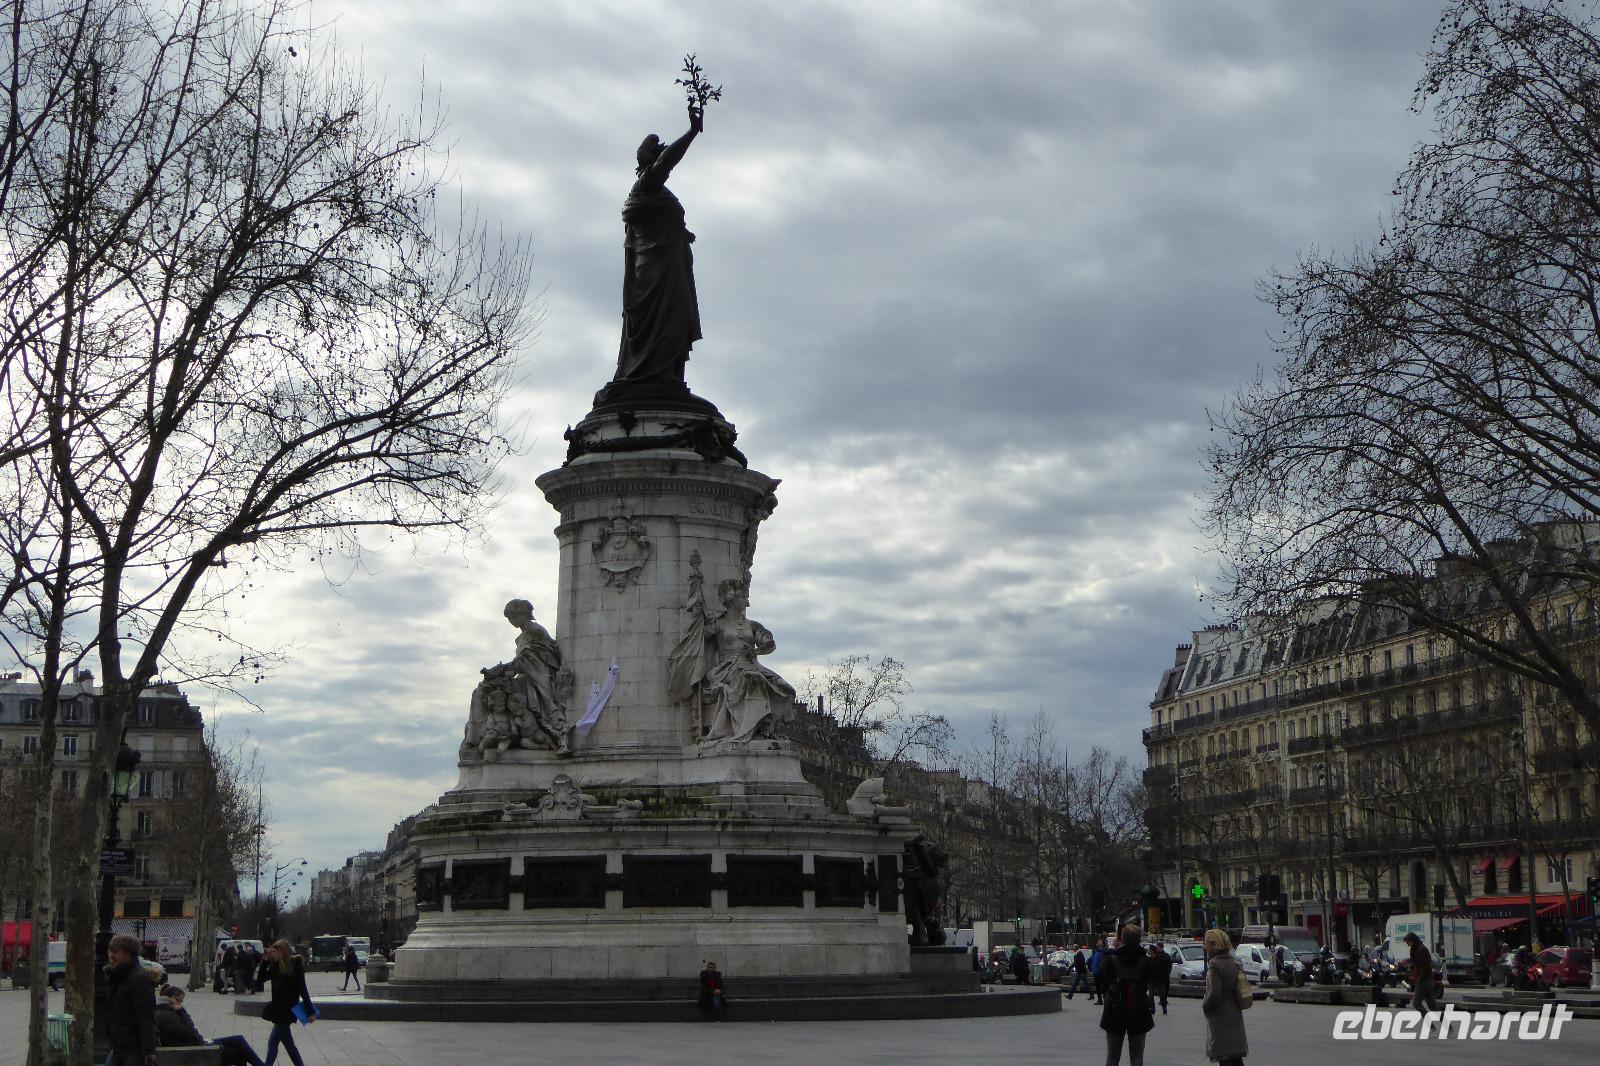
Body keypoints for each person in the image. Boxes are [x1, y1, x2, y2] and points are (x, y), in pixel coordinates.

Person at [604, 104, 705, 397]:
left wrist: (681, 232)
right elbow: (667, 162)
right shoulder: (646, 183)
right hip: (655, 272)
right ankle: (655, 376)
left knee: (678, 319)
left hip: (667, 266)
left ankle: (668, 376)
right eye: (658, 153)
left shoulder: (655, 192)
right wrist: (692, 132)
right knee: (674, 320)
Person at [156, 985, 266, 1066]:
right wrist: (183, 1012)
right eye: (179, 1001)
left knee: (238, 1039)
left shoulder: (165, 1010)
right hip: (196, 1050)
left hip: (195, 1045)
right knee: (240, 1053)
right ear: (171, 998)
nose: (180, 1004)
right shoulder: (167, 1015)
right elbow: (192, 1035)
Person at [1099, 926, 1155, 1066]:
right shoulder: (1146, 961)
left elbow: (1100, 978)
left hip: (1114, 1010)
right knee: (1137, 1056)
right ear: (1139, 939)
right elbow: (1151, 980)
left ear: (1122, 939)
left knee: (1112, 1055)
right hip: (1139, 1010)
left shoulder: (1111, 960)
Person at [257, 939, 315, 1066]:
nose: (273, 954)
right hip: (278, 1011)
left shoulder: (295, 968)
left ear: (282, 952)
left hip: (287, 1012)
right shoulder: (275, 967)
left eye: (275, 951)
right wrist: (265, 960)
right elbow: (260, 979)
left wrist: (310, 1012)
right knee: (289, 1045)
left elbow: (303, 991)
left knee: (272, 1043)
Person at [106, 933, 158, 1066]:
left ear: (128, 954)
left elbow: (145, 1015)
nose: (111, 955)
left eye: (116, 952)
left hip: (133, 1048)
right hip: (119, 1045)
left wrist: (148, 1051)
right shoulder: (117, 975)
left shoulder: (138, 978)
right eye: (110, 951)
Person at [1201, 929, 1248, 1066]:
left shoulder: (1214, 965)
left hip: (1220, 1016)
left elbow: (1214, 994)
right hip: (1234, 1012)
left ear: (1214, 945)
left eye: (1206, 943)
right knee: (1235, 1057)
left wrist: (1205, 1006)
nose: (1205, 947)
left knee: (1225, 1056)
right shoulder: (1233, 961)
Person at [1404, 932, 1439, 1012]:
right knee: (1433, 1007)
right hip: (1426, 979)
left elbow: (1423, 967)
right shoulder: (1418, 949)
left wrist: (1419, 979)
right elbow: (1417, 964)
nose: (1408, 945)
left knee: (1416, 1003)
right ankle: (1447, 1024)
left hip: (1423, 980)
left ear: (1412, 940)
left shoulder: (1421, 950)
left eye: (1408, 942)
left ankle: (1430, 1023)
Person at [1147, 942, 1173, 1015]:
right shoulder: (1148, 959)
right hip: (1151, 980)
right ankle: (1153, 1009)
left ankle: (1164, 1008)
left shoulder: (1161, 958)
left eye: (1148, 950)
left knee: (1161, 996)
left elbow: (1167, 967)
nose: (1147, 951)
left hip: (1159, 980)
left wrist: (1165, 976)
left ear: (1152, 951)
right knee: (1151, 995)